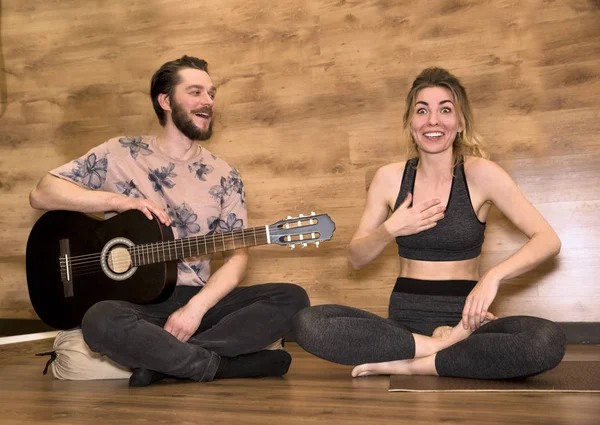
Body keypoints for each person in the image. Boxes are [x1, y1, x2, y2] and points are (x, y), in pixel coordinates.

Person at [29, 55, 310, 387]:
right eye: (195, 92)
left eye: (211, 93)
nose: (208, 101)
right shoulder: (119, 154)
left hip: (198, 300)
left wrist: (195, 309)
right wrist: (120, 201)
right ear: (165, 101)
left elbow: (237, 255)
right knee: (100, 320)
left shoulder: (225, 175)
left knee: (292, 298)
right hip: (135, 304)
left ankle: (165, 362)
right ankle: (219, 366)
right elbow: (42, 193)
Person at [293, 67, 566, 380]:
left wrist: (493, 277)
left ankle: (414, 364)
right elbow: (356, 259)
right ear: (411, 123)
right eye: (422, 110)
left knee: (545, 340)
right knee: (308, 323)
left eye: (445, 109)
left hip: (467, 322)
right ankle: (440, 351)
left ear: (461, 122)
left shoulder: (482, 174)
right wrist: (390, 230)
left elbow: (548, 239)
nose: (433, 121)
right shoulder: (389, 178)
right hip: (404, 327)